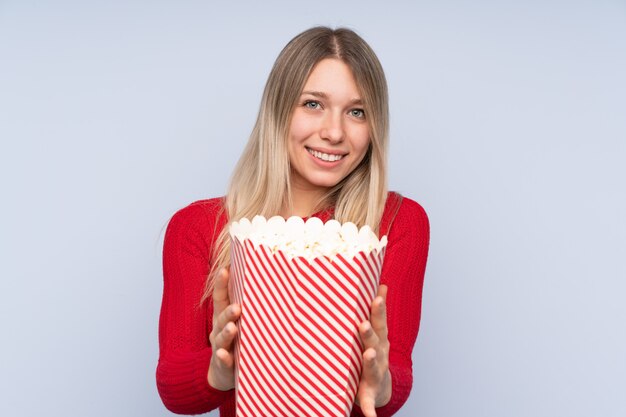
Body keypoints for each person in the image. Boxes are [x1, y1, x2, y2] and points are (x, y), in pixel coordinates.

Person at [156, 26, 429, 417]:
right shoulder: (198, 228)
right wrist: (220, 369)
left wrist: (382, 382)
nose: (334, 132)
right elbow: (173, 388)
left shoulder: (398, 222)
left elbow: (392, 376)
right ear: (278, 110)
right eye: (313, 104)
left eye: (357, 112)